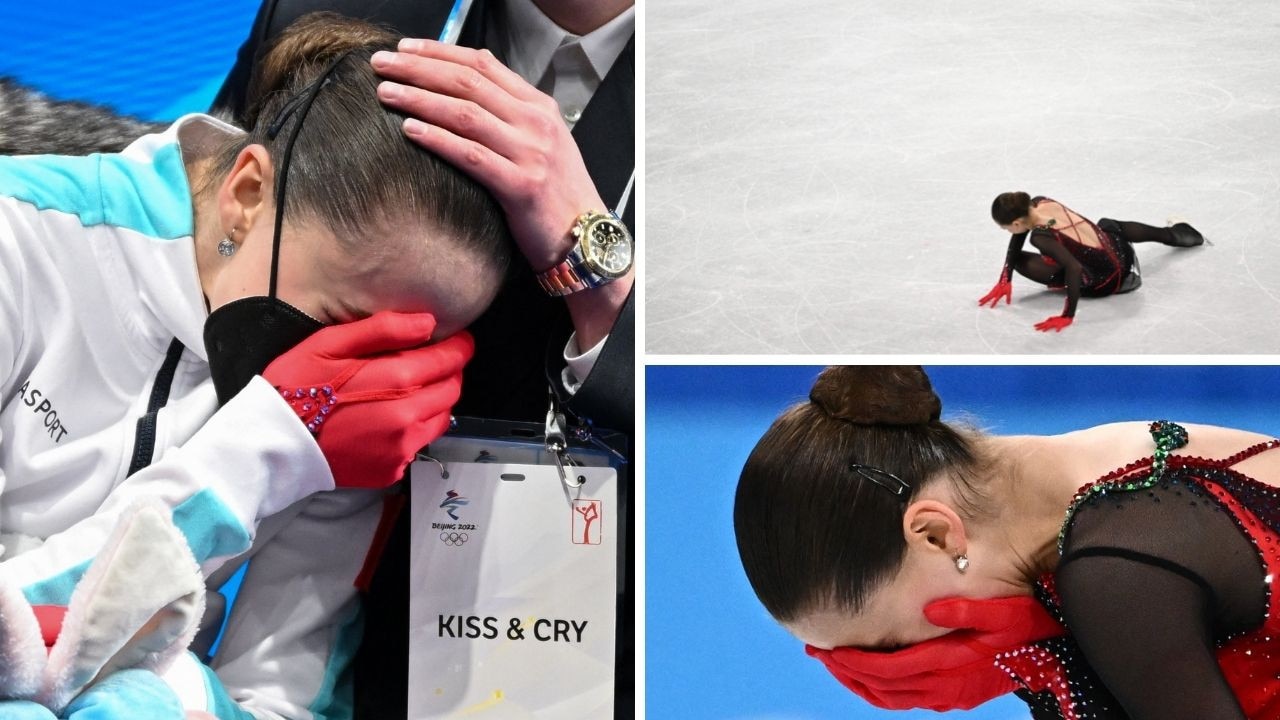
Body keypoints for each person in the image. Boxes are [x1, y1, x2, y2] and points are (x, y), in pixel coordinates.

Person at [0, 13, 511, 718]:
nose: (354, 375)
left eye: (407, 351)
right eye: (340, 324)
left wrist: (167, 699)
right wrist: (259, 454)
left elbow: (282, 705)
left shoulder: (356, 416)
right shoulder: (20, 237)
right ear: (245, 193)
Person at [212, 2, 636, 716]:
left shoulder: (784, 82)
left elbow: (760, 432)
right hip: (299, 620)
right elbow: (201, 246)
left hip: (593, 635)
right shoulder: (327, 11)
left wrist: (598, 275)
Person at [734, 366, 1280, 720]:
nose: (904, 676)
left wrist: (1051, 667)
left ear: (936, 533)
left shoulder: (1117, 571)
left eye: (891, 647)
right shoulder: (1069, 482)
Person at [978, 191, 1204, 332]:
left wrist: (1067, 315)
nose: (1007, 231)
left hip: (1106, 282)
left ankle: (1172, 236)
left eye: (1005, 227)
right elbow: (1023, 231)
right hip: (1121, 254)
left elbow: (1074, 268)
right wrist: (1004, 278)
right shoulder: (1041, 202)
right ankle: (1177, 234)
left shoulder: (1040, 236)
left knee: (1023, 259)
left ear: (1016, 223)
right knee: (1107, 224)